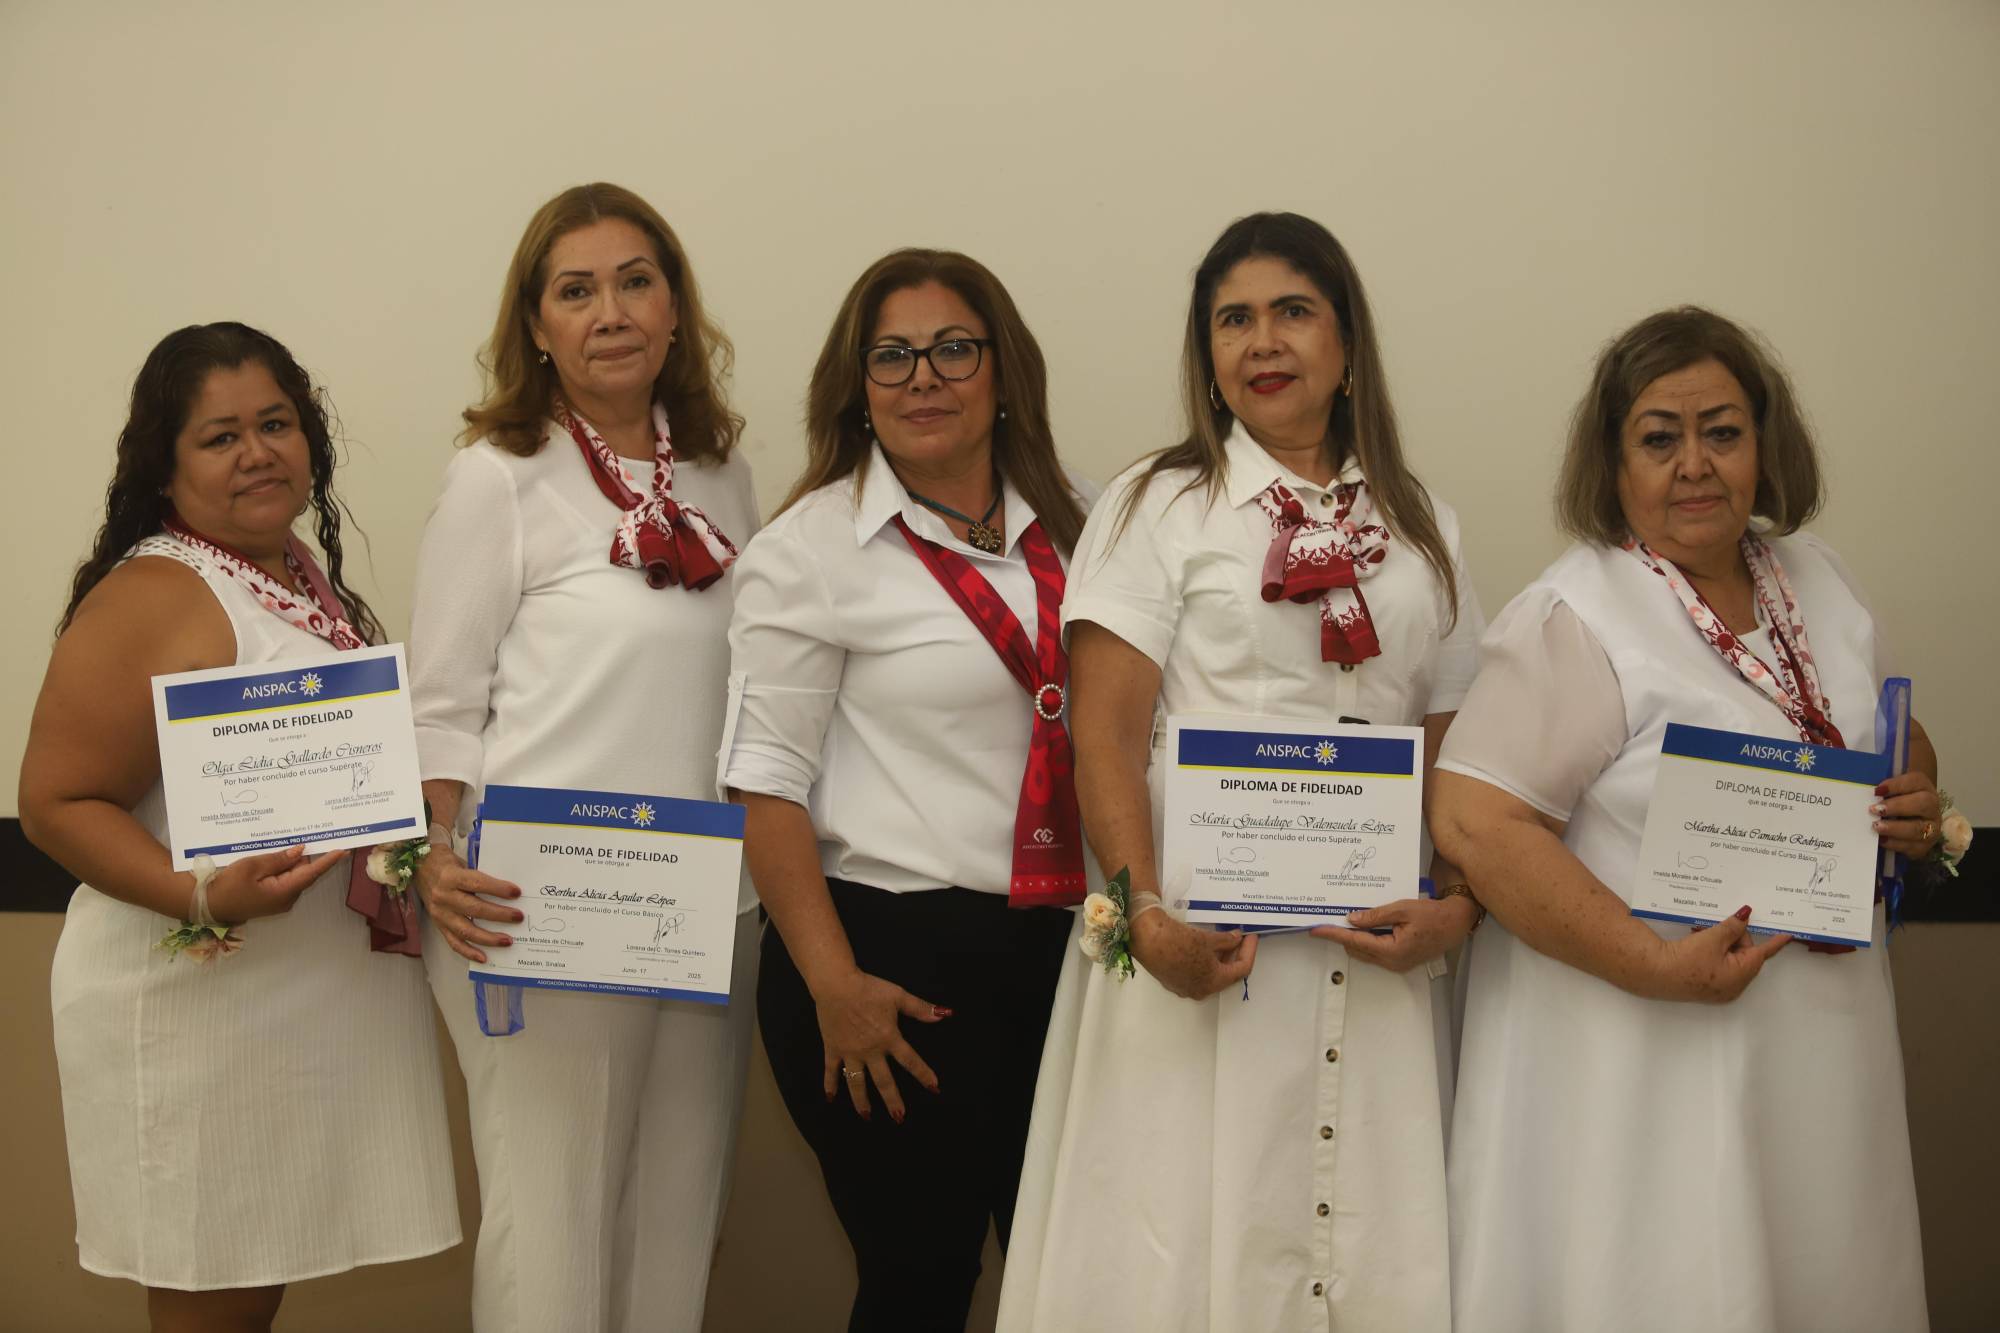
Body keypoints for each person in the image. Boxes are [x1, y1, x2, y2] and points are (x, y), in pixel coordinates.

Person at [998, 212, 1485, 1333]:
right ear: (1206, 352)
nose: (1262, 341)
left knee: (1363, 1238)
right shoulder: (1155, 505)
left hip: (1377, 952)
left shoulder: (1422, 526)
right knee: (1180, 1241)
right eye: (1232, 320)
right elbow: (1104, 736)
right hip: (1197, 950)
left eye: (1291, 312)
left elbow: (1455, 744)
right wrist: (1142, 915)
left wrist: (1458, 905)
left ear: (1347, 344)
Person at [1431, 306, 1936, 1332]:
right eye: (1658, 438)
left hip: (1820, 1050)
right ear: (1612, 464)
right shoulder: (1578, 611)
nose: (1694, 464)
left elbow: (1892, 737)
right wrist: (1650, 962)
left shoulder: (1819, 579)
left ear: (1764, 444)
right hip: (1641, 1054)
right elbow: (1474, 821)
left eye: (1722, 431)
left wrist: (1917, 798)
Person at [21, 323, 460, 1333]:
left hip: (292, 1007)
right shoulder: (154, 590)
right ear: (165, 467)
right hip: (198, 1013)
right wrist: (201, 895)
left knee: (253, 1290)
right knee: (213, 1301)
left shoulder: (296, 574)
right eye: (220, 437)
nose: (257, 452)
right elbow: (53, 801)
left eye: (276, 424)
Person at [407, 182, 759, 1333]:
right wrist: (431, 854)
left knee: (675, 1209)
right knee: (552, 1216)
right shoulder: (497, 474)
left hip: (701, 903)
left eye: (634, 281)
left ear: (675, 309)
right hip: (536, 905)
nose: (609, 311)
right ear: (537, 324)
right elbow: (441, 702)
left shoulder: (719, 473)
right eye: (576, 290)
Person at [722, 247, 1092, 1330]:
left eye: (952, 349)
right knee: (920, 1285)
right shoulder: (810, 549)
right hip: (887, 968)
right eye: (891, 355)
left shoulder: (1087, 521)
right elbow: (764, 787)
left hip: (1065, 956)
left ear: (1003, 370)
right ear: (857, 386)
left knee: (1074, 1281)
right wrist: (833, 984)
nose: (922, 376)